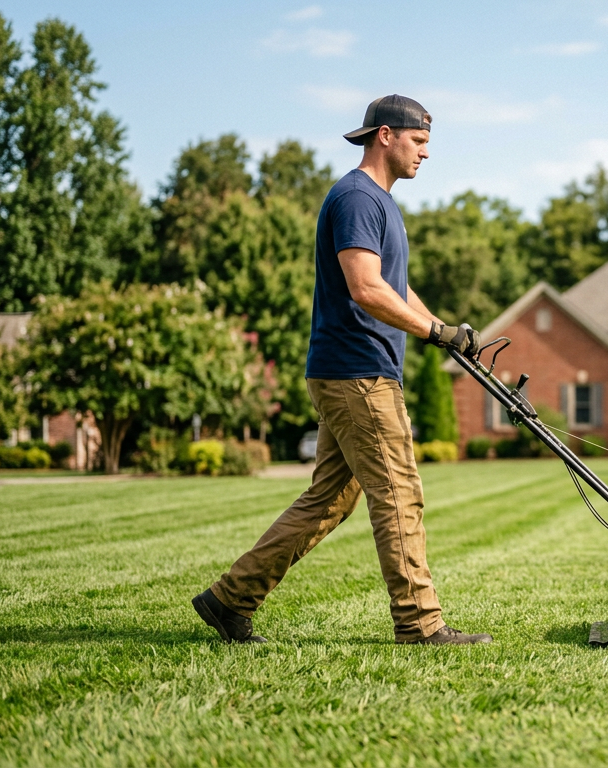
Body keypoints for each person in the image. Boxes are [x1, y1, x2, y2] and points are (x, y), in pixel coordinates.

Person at [192, 94, 492, 646]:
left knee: (329, 500)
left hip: (353, 370)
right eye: (419, 141)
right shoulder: (357, 197)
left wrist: (444, 330)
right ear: (385, 135)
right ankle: (420, 623)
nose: (426, 153)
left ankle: (230, 598)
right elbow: (366, 287)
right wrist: (433, 333)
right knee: (398, 493)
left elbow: (394, 286)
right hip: (359, 372)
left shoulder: (380, 202)